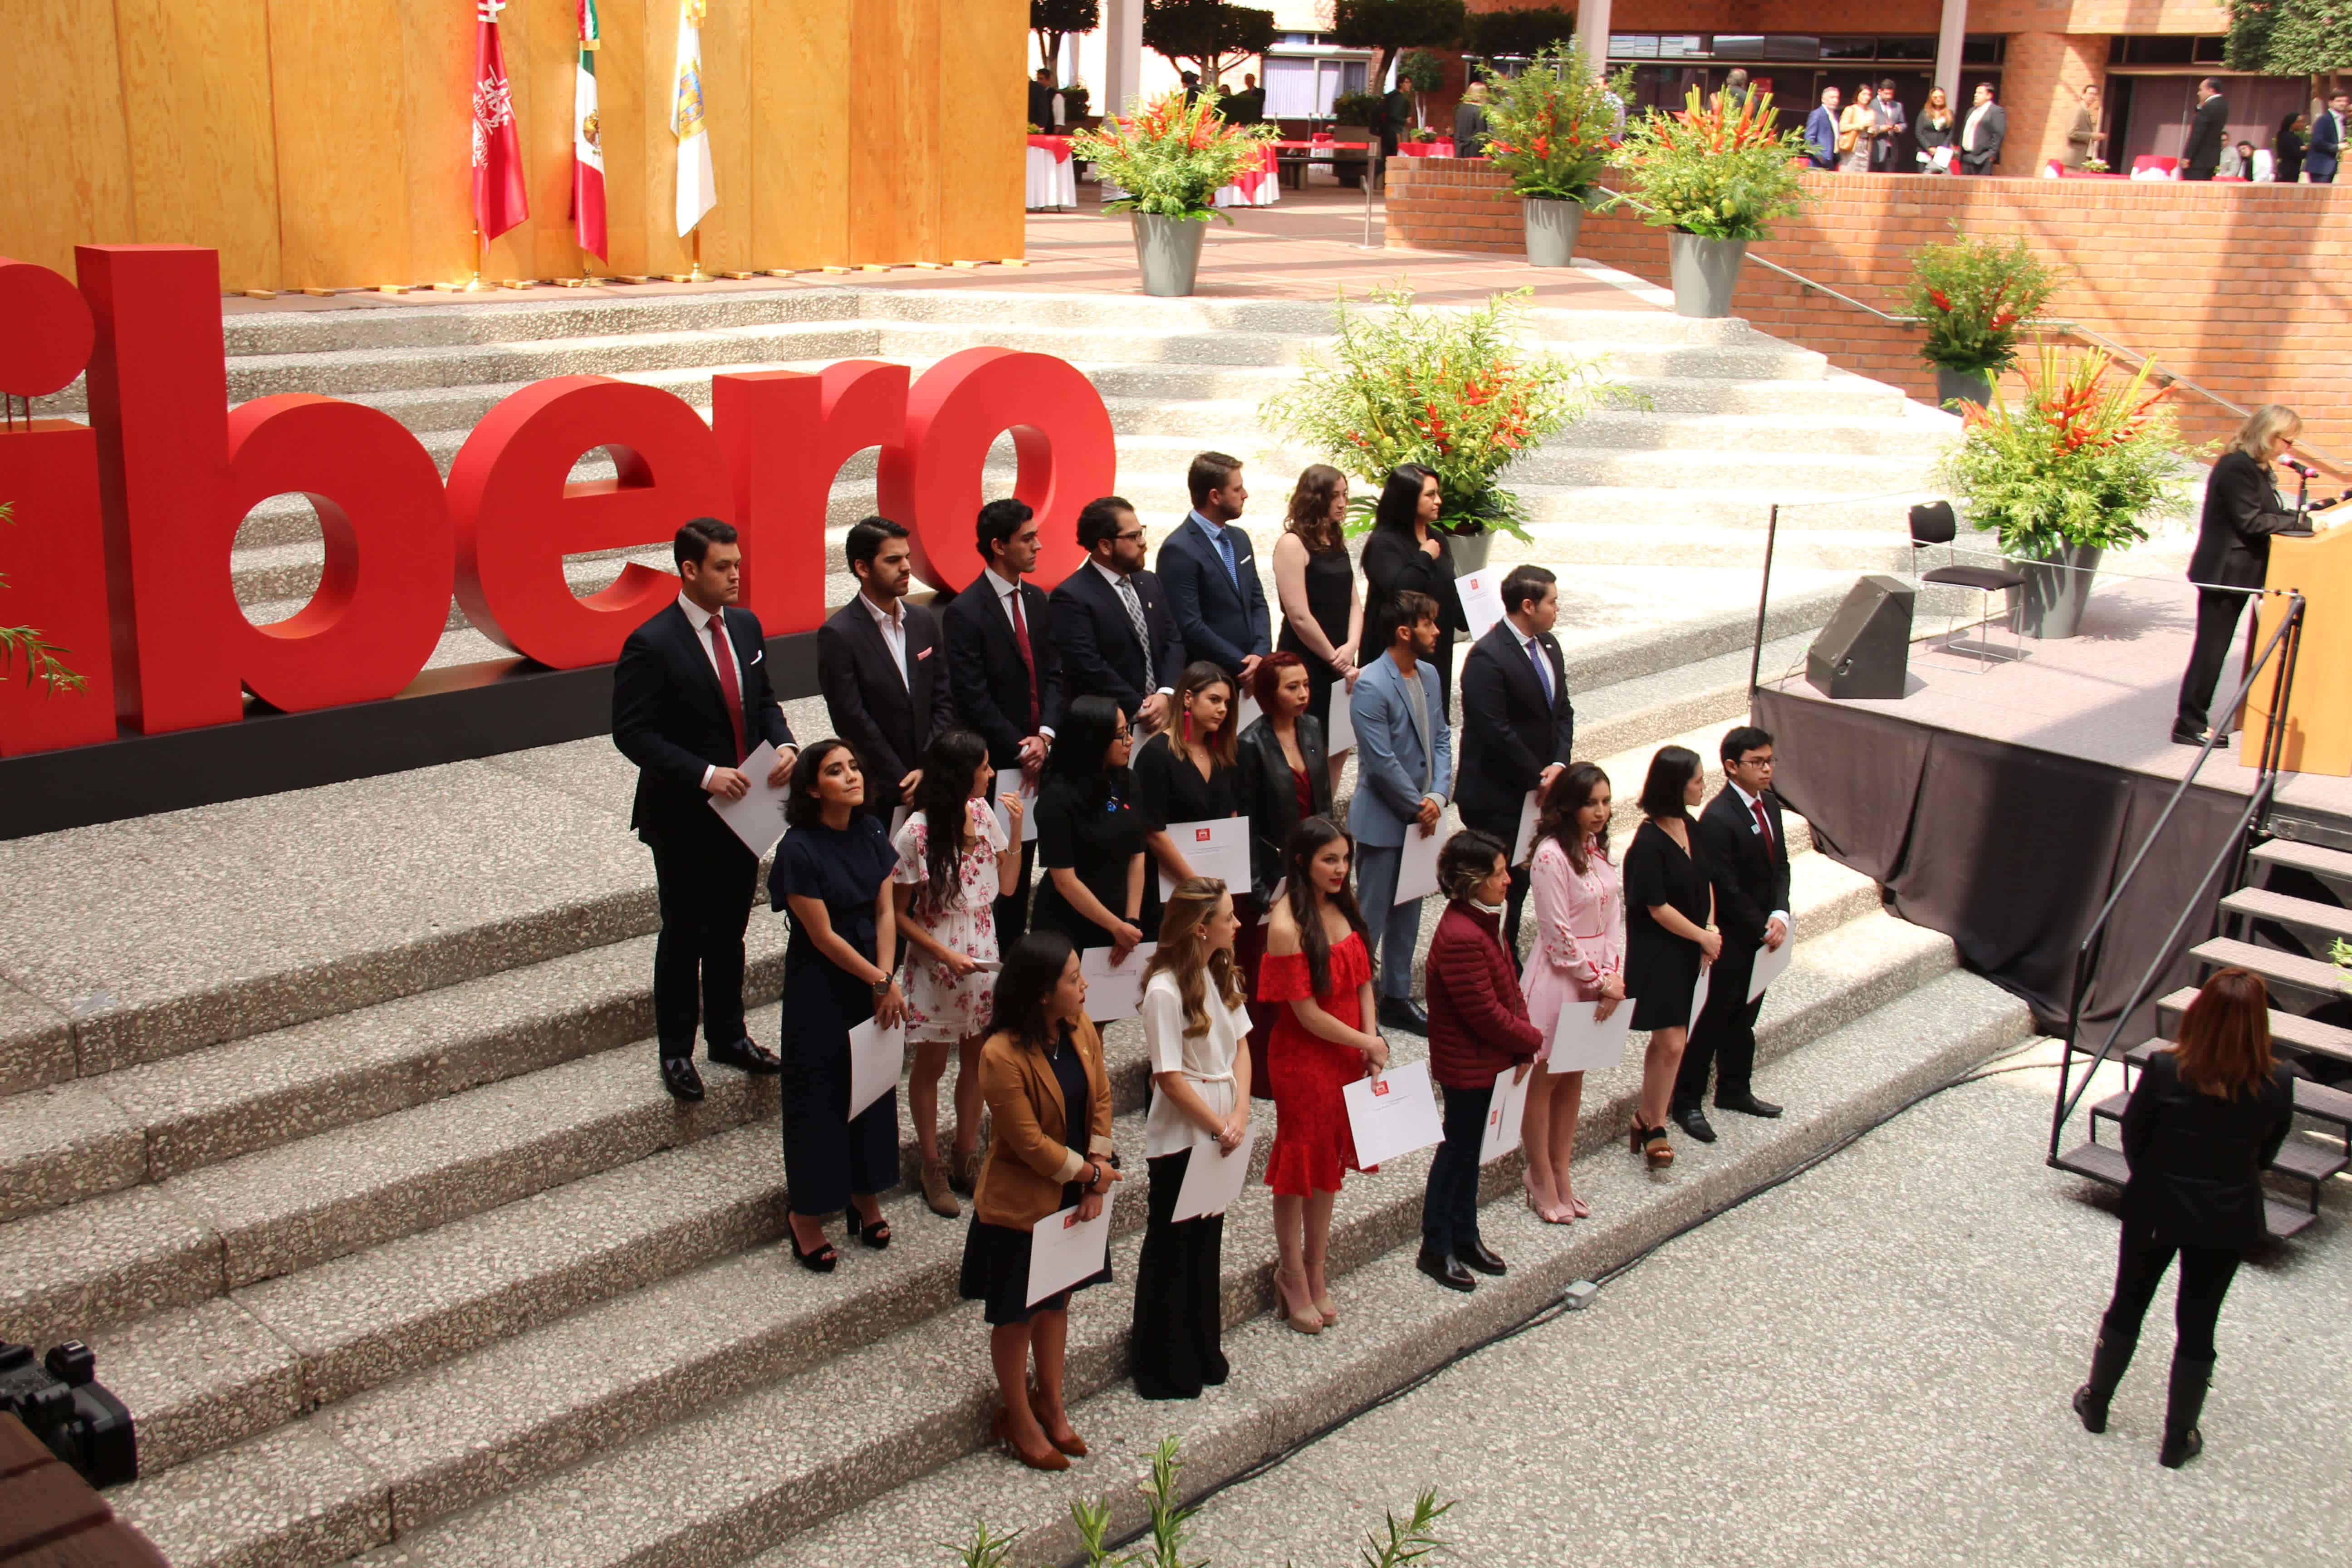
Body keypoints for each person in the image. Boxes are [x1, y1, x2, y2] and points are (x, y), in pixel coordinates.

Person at [2071, 967, 2293, 1469]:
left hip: (2156, 1207)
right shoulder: (2277, 1082)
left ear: (2202, 1015)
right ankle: (2178, 1437)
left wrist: (2155, 1180)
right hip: (2226, 1217)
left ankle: (2097, 1404)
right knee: (2198, 1320)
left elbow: (2135, 1135)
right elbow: (2268, 1153)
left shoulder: (2167, 1070)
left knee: (2129, 1301)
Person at [612, 519, 796, 1102]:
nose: (736, 574)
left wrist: (786, 743)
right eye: (723, 566)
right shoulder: (652, 642)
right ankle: (676, 1051)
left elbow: (763, 699)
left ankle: (729, 1036)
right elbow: (633, 733)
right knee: (685, 933)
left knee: (730, 932)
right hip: (686, 817)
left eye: (738, 563)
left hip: (750, 812)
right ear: (689, 571)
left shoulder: (745, 625)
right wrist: (704, 774)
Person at [962, 931, 1120, 1471]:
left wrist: (1095, 1179)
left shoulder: (1077, 1028)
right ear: (1040, 995)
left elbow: (1100, 1095)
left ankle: (1051, 1401)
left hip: (1075, 1193)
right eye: (1074, 980)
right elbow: (1028, 1143)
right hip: (1021, 1208)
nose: (1085, 986)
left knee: (1058, 1302)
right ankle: (1017, 1416)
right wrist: (1092, 1173)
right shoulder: (1000, 1054)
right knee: (1017, 1316)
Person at [769, 740, 906, 1272]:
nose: (851, 776)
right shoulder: (798, 849)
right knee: (819, 1094)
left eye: (853, 766)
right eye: (835, 771)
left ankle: (864, 1194)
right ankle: (805, 1216)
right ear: (811, 788)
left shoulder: (872, 829)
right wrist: (877, 979)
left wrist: (886, 975)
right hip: (823, 984)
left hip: (875, 973)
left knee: (872, 1086)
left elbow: (886, 906)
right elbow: (822, 936)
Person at [1259, 816, 1387, 1332]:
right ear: (1302, 862)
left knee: (1329, 1164)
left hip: (1347, 1053)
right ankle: (1291, 1274)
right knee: (1299, 1169)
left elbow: (1363, 982)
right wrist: (1367, 1041)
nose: (1340, 869)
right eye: (1329, 859)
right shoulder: (1286, 924)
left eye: (1344, 859)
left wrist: (1371, 1040)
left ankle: (1317, 1268)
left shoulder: (1344, 906)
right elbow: (1306, 1014)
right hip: (1304, 1060)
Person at [892, 730, 1023, 1216]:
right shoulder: (917, 833)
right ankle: (930, 1165)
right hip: (937, 962)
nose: (991, 774)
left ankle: (965, 1155)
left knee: (977, 1061)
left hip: (983, 955)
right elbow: (898, 913)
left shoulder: (985, 814)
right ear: (960, 772)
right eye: (985, 766)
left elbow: (1006, 889)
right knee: (931, 1066)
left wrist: (1016, 829)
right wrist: (942, 955)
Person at [1132, 878, 1252, 1400]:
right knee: (1172, 1246)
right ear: (1201, 927)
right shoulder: (1165, 989)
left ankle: (1203, 1345)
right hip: (1186, 1133)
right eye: (1229, 916)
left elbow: (1242, 1047)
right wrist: (1217, 1125)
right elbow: (1169, 1075)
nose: (1238, 923)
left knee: (1207, 1243)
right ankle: (1163, 1359)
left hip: (1224, 1124)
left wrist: (1242, 1112)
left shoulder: (1217, 971)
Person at [1417, 830, 1543, 1293]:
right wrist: (1531, 1038)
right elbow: (1484, 1013)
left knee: (1470, 1155)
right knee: (1457, 1154)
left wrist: (1524, 1039)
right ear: (1473, 881)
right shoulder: (1461, 937)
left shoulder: (1484, 919)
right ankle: (1436, 1245)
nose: (1508, 881)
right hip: (1466, 1065)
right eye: (1499, 873)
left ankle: (1465, 1236)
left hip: (1487, 1060)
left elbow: (1509, 985)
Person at [945, 498, 1064, 947]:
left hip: (1043, 760)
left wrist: (1046, 737)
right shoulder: (966, 611)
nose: (1039, 545)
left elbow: (1054, 673)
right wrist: (1021, 745)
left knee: (1038, 858)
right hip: (998, 768)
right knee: (1003, 879)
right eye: (1028, 538)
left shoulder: (1036, 598)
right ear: (998, 546)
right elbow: (971, 695)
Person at [1674, 726, 1791, 1143]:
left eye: (1770, 761)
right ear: (1731, 766)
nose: (1766, 770)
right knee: (1714, 1019)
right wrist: (1760, 925)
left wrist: (1780, 912)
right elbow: (1724, 884)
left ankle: (1735, 1088)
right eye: (1757, 762)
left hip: (1764, 934)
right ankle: (1686, 1099)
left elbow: (1781, 868)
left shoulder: (1771, 806)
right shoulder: (1719, 817)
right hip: (1733, 936)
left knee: (1746, 1017)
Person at [1520, 763, 1622, 1224]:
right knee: (1545, 1081)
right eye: (1591, 803)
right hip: (1562, 979)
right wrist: (1598, 979)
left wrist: (1615, 975)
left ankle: (1563, 1170)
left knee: (1575, 1077)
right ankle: (1539, 1174)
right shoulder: (1550, 856)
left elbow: (1615, 919)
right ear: (1570, 806)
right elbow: (1557, 934)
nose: (1600, 811)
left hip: (1599, 978)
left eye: (1605, 801)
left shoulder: (1597, 851)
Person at [1349, 590, 1453, 1036]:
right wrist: (1418, 806)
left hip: (1422, 818)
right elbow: (1379, 761)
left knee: (1409, 913)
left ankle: (1396, 996)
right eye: (1429, 623)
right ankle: (1356, 1004)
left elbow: (1443, 739)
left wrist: (1439, 797)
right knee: (1369, 921)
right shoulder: (1372, 684)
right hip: (1386, 820)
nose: (1437, 631)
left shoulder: (1429, 674)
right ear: (1404, 631)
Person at [2174, 405, 2308, 747]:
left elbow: (2271, 514)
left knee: (2214, 647)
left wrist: (2310, 514)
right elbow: (2251, 521)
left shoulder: (2255, 468)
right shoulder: (2237, 467)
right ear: (2270, 435)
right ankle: (2189, 723)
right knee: (2212, 649)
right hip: (2224, 572)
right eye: (2288, 441)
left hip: (2241, 571)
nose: (2289, 449)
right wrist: (2301, 523)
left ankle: (2195, 717)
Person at [1456, 564, 1575, 950]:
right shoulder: (1487, 657)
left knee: (1520, 884)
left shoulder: (1550, 647)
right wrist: (1537, 778)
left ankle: (1507, 956)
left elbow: (1563, 711)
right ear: (1528, 605)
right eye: (1552, 602)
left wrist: (1558, 766)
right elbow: (1494, 730)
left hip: (1539, 792)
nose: (1558, 609)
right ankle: (1487, 959)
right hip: (1498, 797)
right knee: (1492, 889)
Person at [1621, 745, 1720, 1169]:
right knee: (1671, 1040)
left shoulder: (1690, 827)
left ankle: (1648, 1116)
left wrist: (1711, 928)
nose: (1703, 786)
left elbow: (1706, 880)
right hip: (1659, 951)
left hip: (1691, 945)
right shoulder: (1647, 844)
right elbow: (1657, 908)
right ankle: (1654, 1121)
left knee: (1672, 1043)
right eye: (1697, 779)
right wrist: (1703, 935)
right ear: (1676, 785)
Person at [818, 517, 956, 814]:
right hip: (881, 792)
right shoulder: (839, 634)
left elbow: (943, 697)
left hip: (934, 782)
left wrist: (928, 768)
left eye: (907, 557)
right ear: (863, 568)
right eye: (893, 560)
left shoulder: (922, 621)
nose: (906, 567)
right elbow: (851, 718)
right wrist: (902, 780)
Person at [1050, 495, 1185, 734]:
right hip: (1110, 727)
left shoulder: (1149, 581)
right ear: (1105, 545)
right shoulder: (1072, 595)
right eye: (1133, 537)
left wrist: (1166, 694)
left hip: (1163, 716)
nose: (1143, 543)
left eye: (1141, 532)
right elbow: (1088, 665)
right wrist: (1139, 707)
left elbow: (1173, 640)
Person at [1029, 695, 1148, 956]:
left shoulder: (1129, 780)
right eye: (1120, 735)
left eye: (1128, 731)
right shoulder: (1057, 797)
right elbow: (1065, 881)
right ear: (1095, 740)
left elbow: (1137, 855)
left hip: (1123, 920)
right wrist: (1115, 926)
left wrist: (1131, 922)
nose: (1130, 740)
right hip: (1070, 924)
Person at [1274, 464, 1364, 790]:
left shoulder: (1335, 539)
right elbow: (1299, 615)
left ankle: (1325, 815)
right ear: (1315, 499)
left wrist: (1351, 647)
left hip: (1341, 661)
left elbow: (1354, 601)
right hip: (1308, 661)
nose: (1343, 503)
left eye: (1345, 495)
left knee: (1338, 744)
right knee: (1305, 747)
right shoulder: (1293, 544)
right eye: (1335, 497)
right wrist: (1334, 658)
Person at [1357, 462, 1466, 713]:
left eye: (1437, 493)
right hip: (1397, 658)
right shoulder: (1384, 543)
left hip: (1435, 652)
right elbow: (1400, 592)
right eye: (1430, 495)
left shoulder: (1437, 538)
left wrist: (1477, 615)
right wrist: (1425, 557)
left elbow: (1448, 589)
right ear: (1408, 499)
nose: (1438, 501)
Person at [1156, 451, 1271, 687]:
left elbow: (1257, 600)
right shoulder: (1178, 549)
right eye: (1237, 489)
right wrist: (1242, 663)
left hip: (1252, 674)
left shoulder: (1239, 539)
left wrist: (1260, 654)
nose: (1245, 495)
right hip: (1209, 681)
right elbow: (1190, 626)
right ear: (1215, 496)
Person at [1134, 662, 1242, 902]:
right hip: (1169, 888)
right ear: (1187, 699)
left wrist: (1227, 878)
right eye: (1214, 700)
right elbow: (1153, 832)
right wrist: (1198, 888)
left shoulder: (1223, 753)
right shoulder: (1156, 754)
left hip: (1216, 885)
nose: (1223, 709)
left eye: (1227, 703)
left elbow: (1231, 816)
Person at [2183, 78, 2228, 181]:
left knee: (2193, 189)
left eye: (2201, 90)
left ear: (2210, 91)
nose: (2199, 93)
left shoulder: (2209, 108)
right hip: (2212, 158)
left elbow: (2197, 133)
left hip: (2199, 159)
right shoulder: (2223, 105)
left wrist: (2188, 156)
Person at [1959, 83, 2005, 175]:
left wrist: (1991, 156)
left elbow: (1998, 134)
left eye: (1980, 93)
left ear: (1989, 95)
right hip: (1967, 157)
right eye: (1976, 93)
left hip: (1982, 158)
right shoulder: (1972, 110)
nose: (1976, 95)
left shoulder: (1995, 111)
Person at [1837, 83, 1877, 176]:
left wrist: (1874, 131)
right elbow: (1843, 127)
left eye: (1869, 95)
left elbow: (1872, 131)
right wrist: (1861, 126)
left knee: (1863, 173)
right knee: (1849, 171)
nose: (1867, 97)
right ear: (1857, 95)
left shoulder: (1871, 111)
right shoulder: (1850, 110)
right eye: (1864, 94)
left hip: (1866, 144)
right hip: (1854, 143)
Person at [1915, 86, 1956, 174]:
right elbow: (1919, 133)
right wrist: (1929, 148)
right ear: (1931, 99)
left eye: (1940, 97)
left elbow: (1950, 133)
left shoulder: (1950, 113)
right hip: (1925, 153)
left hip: (1942, 155)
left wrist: (1943, 149)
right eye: (1935, 97)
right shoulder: (1924, 113)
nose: (1938, 99)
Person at [2308, 92, 2347, 184]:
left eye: (2345, 101)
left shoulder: (2342, 120)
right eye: (2339, 101)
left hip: (2331, 165)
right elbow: (2317, 142)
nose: (2342, 103)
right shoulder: (2324, 120)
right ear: (2331, 103)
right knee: (2320, 196)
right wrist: (2337, 148)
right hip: (2320, 166)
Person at [2066, 83, 2107, 171]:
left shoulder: (2086, 111)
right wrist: (2091, 136)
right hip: (2074, 159)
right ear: (2083, 95)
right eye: (2090, 94)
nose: (2093, 97)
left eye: (2095, 94)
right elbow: (2071, 133)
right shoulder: (2079, 110)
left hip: (2083, 159)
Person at [1871, 79, 1907, 172]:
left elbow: (1903, 123)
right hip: (1875, 147)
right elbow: (1868, 125)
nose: (1889, 97)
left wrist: (1899, 128)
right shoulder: (1871, 105)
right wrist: (1880, 129)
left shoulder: (1898, 106)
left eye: (1891, 94)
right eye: (1886, 94)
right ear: (1880, 91)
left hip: (1891, 149)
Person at [1804, 86, 1842, 171]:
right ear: (1823, 99)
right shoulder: (1817, 115)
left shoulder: (1836, 116)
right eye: (1832, 98)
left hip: (1833, 160)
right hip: (1818, 163)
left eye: (1837, 98)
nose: (1835, 100)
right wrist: (1820, 157)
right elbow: (1809, 140)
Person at [1454, 80, 1490, 155]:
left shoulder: (1460, 108)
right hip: (1474, 147)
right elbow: (1482, 133)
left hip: (1459, 145)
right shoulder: (1480, 110)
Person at [2276, 113, 2308, 183]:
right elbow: (2296, 153)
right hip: (2287, 170)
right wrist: (2304, 149)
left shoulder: (2295, 137)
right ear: (2292, 123)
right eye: (2300, 122)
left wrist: (2304, 148)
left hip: (2295, 169)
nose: (2303, 124)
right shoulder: (2285, 136)